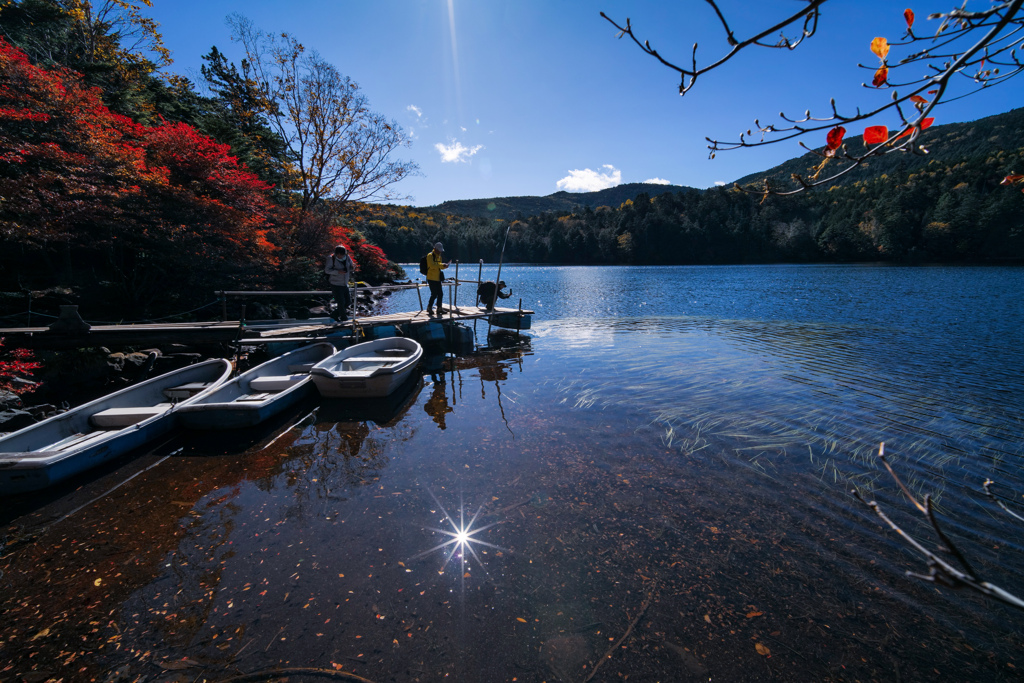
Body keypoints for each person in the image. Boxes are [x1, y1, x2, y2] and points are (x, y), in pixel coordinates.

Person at [324, 244, 354, 321]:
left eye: (342, 254)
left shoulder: (347, 257)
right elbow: (327, 270)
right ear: (336, 253)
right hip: (335, 283)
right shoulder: (331, 258)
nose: (340, 256)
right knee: (341, 302)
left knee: (348, 302)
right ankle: (344, 319)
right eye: (339, 254)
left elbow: (350, 267)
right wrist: (338, 272)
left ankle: (334, 314)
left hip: (345, 283)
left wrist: (353, 267)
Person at [424, 242, 449, 316]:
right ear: (435, 249)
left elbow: (439, 266)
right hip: (431, 278)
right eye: (439, 250)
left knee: (440, 294)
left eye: (441, 250)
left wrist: (444, 266)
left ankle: (439, 308)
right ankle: (429, 307)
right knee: (434, 294)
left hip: (437, 278)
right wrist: (441, 265)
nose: (440, 252)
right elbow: (432, 266)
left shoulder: (439, 257)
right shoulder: (430, 255)